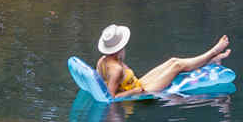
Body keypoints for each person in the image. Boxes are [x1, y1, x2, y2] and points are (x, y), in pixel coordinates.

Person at [95, 24, 230, 99]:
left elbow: (101, 82)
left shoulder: (102, 60)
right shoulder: (116, 70)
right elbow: (111, 98)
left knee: (173, 61)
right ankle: (213, 52)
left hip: (138, 84)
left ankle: (211, 60)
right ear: (119, 47)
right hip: (144, 91)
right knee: (177, 66)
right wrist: (133, 93)